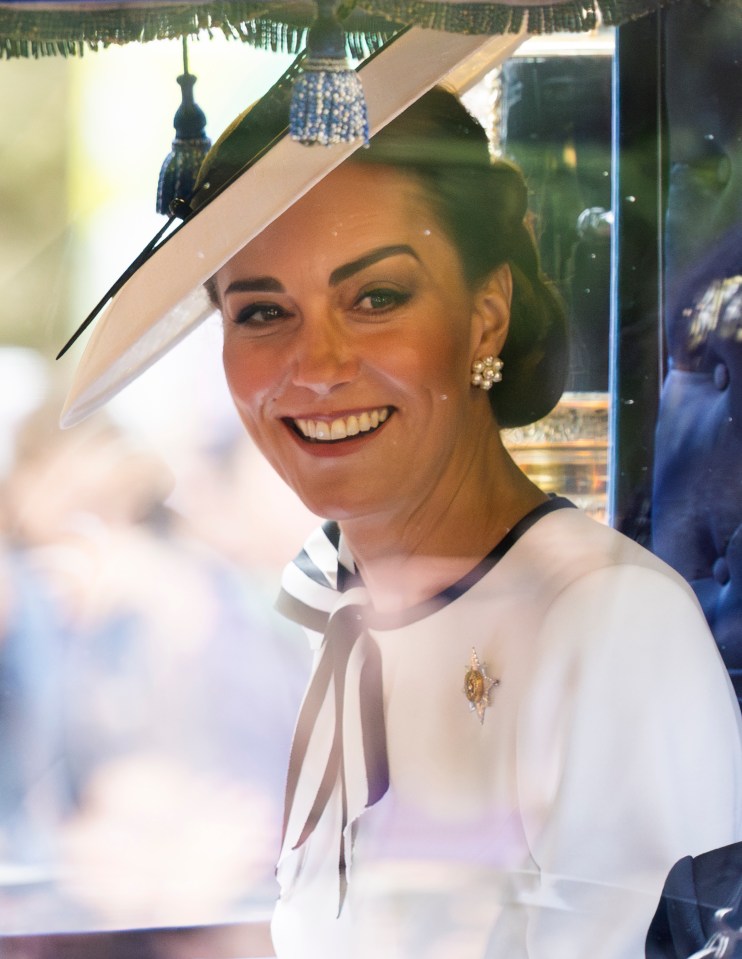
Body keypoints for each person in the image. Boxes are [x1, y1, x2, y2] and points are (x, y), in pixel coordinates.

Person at [60, 44, 742, 959]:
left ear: (485, 315)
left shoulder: (606, 621)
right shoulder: (328, 598)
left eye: (376, 296)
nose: (318, 367)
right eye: (262, 312)